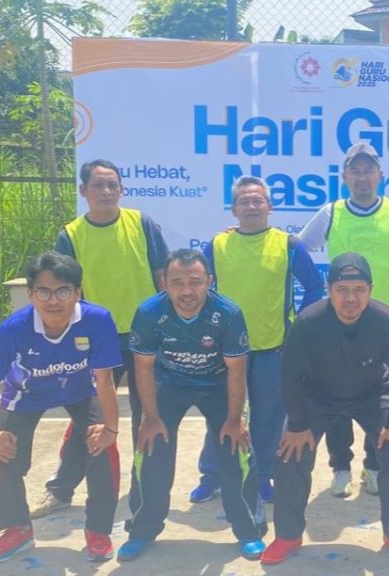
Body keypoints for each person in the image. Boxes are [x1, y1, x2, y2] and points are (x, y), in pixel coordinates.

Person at [260, 253, 389, 565]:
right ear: (329, 289)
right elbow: (290, 376)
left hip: (373, 393)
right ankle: (287, 536)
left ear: (370, 289)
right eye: (342, 290)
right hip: (318, 395)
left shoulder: (387, 321)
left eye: (359, 290)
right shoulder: (308, 323)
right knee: (290, 455)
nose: (351, 299)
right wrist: (297, 425)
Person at [32, 159, 168, 519]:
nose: (106, 191)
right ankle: (60, 491)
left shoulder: (142, 224)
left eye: (112, 185)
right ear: (83, 191)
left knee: (148, 416)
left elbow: (163, 277)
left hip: (144, 336)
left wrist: (164, 327)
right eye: (98, 185)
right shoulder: (71, 235)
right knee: (89, 418)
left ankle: (143, 491)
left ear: (121, 189)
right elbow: (63, 289)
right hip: (96, 339)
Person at [298, 143, 389, 498]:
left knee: (381, 395)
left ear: (380, 175)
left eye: (368, 170)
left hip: (383, 324)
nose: (362, 177)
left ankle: (373, 466)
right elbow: (296, 248)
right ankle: (340, 467)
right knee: (336, 392)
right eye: (355, 171)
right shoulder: (331, 213)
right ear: (344, 177)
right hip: (337, 321)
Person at [117, 249, 266, 562]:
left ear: (209, 281)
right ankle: (142, 529)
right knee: (150, 449)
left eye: (195, 282)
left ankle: (248, 529)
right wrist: (150, 417)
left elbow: (237, 370)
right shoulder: (149, 312)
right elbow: (142, 367)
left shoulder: (228, 313)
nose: (187, 291)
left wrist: (234, 420)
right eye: (177, 283)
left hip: (218, 384)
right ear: (164, 283)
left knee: (236, 449)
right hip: (169, 383)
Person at [189, 176, 325, 505]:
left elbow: (314, 287)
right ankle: (212, 475)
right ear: (234, 209)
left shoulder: (288, 245)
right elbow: (198, 288)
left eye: (257, 200)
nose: (251, 206)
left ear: (269, 207)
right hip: (226, 350)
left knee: (268, 416)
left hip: (272, 347)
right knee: (222, 413)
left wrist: (297, 328)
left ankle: (262, 475)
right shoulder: (217, 245)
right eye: (244, 201)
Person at [0, 251, 120, 563]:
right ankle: (17, 528)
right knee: (2, 451)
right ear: (30, 294)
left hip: (82, 391)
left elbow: (105, 379)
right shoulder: (14, 328)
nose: (53, 300)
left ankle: (98, 530)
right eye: (43, 291)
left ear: (78, 293)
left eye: (63, 291)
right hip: (25, 395)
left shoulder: (98, 320)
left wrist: (111, 429)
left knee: (103, 446)